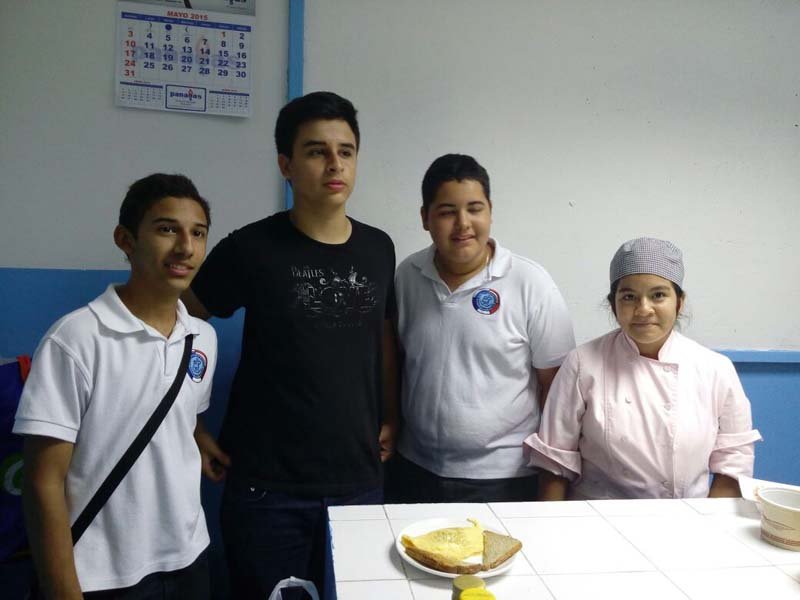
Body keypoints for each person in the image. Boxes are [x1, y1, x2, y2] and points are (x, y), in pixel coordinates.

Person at [181, 91, 398, 598]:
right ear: (286, 165)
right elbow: (173, 326)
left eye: (346, 151)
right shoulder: (251, 248)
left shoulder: (379, 248)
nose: (334, 164)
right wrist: (189, 425)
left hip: (358, 481)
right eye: (316, 151)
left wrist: (393, 415)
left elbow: (383, 339)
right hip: (267, 490)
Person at [14, 173, 217, 598]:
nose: (186, 247)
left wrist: (200, 440)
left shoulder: (203, 337)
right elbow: (43, 482)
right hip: (100, 574)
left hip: (189, 557)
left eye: (198, 233)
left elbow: (180, 413)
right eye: (167, 229)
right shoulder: (75, 339)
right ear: (126, 240)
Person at [386, 153, 575, 503]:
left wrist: (552, 483)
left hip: (504, 477)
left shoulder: (530, 282)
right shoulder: (407, 276)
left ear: (490, 211)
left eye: (475, 209)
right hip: (415, 468)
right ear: (425, 217)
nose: (463, 224)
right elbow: (397, 363)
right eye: (447, 212)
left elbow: (558, 389)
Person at [526, 237, 762, 500]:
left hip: (689, 518)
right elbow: (555, 462)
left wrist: (708, 521)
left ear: (679, 302)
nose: (643, 309)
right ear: (613, 305)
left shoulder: (715, 369)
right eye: (629, 297)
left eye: (658, 295)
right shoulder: (583, 364)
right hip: (599, 516)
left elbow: (733, 460)